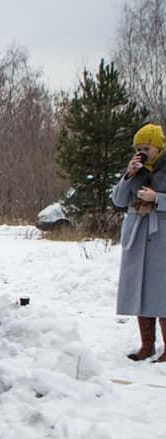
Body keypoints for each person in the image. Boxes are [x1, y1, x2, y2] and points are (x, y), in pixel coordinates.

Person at [112, 123, 166, 362]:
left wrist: (158, 199)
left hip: (162, 232)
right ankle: (146, 345)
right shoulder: (135, 170)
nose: (143, 151)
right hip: (137, 233)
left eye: (147, 147)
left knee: (161, 291)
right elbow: (119, 201)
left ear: (158, 147)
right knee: (139, 290)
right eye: (139, 148)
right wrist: (128, 176)